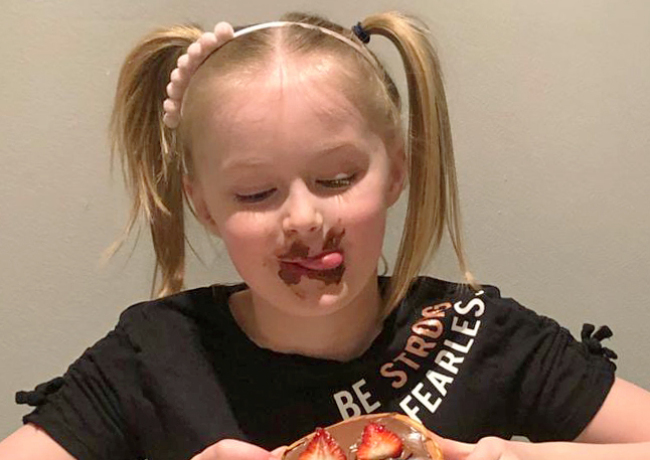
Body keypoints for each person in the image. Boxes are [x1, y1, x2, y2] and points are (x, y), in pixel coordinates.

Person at [1, 10, 649, 460]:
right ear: (202, 205)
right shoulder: (152, 359)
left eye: (337, 178)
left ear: (396, 171)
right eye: (257, 193)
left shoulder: (480, 333)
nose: (304, 219)